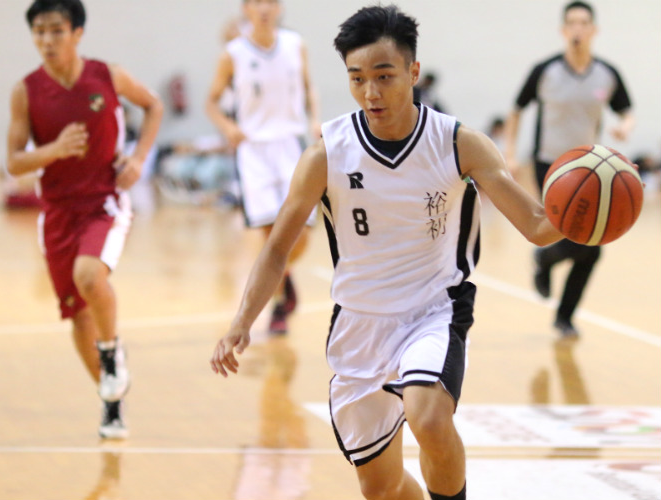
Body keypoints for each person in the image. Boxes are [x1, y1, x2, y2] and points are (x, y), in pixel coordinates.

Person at [211, 5, 562, 500]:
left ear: (413, 72)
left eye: (384, 76)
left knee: (429, 415)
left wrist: (585, 219)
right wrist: (241, 320)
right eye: (357, 79)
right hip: (359, 323)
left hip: (434, 309)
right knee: (383, 488)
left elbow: (538, 225)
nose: (370, 92)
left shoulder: (459, 143)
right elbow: (275, 248)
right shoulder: (326, 153)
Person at [6, 0, 163, 439]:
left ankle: (112, 354)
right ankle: (111, 401)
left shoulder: (107, 76)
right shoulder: (26, 90)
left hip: (104, 201)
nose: (47, 40)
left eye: (56, 30)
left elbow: (154, 106)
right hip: (56, 211)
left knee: (89, 277)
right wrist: (53, 150)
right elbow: (15, 162)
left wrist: (138, 158)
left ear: (77, 32)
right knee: (77, 317)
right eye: (39, 32)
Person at [504, 1, 634, 337]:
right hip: (551, 167)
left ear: (593, 30)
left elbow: (626, 110)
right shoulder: (545, 70)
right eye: (572, 23)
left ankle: (559, 302)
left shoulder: (607, 73)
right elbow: (515, 110)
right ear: (564, 30)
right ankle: (546, 262)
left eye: (584, 23)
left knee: (590, 250)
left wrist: (625, 127)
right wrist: (510, 154)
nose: (578, 28)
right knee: (580, 239)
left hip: (591, 168)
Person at [205, 0, 321, 334]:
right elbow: (211, 101)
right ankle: (279, 304)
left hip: (290, 144)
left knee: (302, 229)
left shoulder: (295, 45)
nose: (264, 8)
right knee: (271, 230)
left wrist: (313, 119)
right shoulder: (232, 54)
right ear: (246, 8)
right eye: (257, 2)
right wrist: (228, 128)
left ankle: (282, 275)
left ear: (280, 6)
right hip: (253, 149)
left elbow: (309, 85)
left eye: (270, 1)